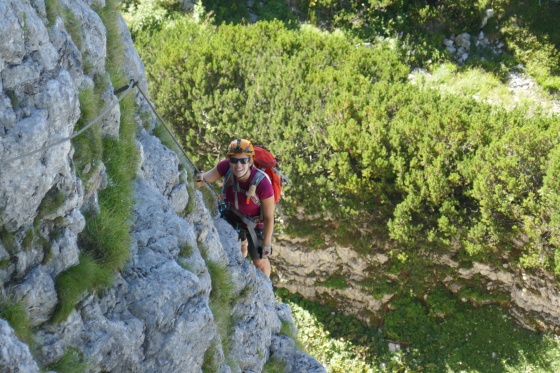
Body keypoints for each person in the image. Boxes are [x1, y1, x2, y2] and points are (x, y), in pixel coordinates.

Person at [194, 139, 274, 277]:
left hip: (255, 225)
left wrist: (266, 243)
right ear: (229, 160)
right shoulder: (225, 167)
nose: (238, 165)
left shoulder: (262, 184)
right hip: (231, 215)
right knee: (241, 247)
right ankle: (238, 269)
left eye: (243, 161)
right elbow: (204, 180)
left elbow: (268, 217)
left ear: (250, 161)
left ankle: (268, 289)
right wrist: (198, 178)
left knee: (260, 262)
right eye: (234, 160)